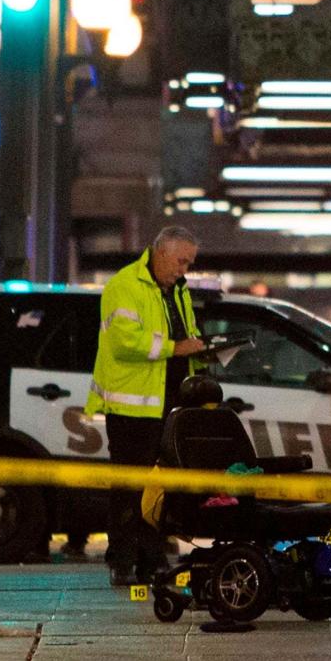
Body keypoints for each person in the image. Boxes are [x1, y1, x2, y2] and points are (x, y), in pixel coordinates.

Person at [86, 226, 206, 586]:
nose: (184, 269)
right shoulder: (125, 285)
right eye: (181, 260)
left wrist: (204, 351)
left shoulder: (177, 291)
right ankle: (123, 561)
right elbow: (125, 341)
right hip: (132, 407)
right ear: (161, 252)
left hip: (168, 404)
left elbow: (186, 333)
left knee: (159, 489)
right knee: (129, 487)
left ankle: (151, 560)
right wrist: (176, 348)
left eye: (190, 262)